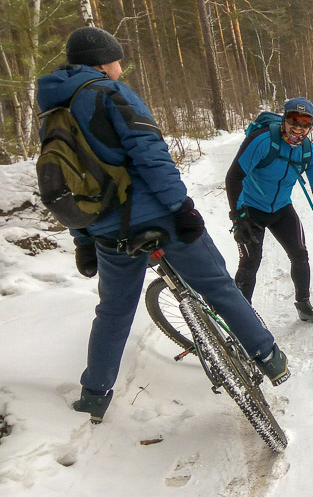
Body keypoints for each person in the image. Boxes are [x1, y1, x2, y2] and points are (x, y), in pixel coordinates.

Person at [36, 26, 290, 424]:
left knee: (114, 312)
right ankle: (268, 355)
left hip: (105, 232)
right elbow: (151, 154)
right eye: (117, 58)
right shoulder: (110, 93)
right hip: (156, 216)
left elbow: (66, 183)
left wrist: (83, 238)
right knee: (217, 285)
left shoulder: (52, 113)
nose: (121, 65)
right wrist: (181, 208)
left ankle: (94, 395)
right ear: (103, 60)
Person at [225, 97, 313, 322]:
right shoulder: (262, 141)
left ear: (311, 126)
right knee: (251, 262)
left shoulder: (310, 152)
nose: (298, 127)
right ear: (284, 119)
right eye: (293, 120)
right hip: (250, 209)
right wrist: (238, 219)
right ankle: (240, 318)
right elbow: (234, 177)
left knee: (300, 255)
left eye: (305, 122)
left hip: (281, 209)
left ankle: (304, 305)